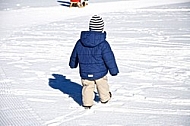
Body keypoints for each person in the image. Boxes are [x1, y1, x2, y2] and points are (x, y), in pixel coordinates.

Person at [69, 15, 119, 109]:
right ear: (102, 28)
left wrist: (73, 64)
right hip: (100, 72)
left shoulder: (80, 42)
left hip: (85, 72)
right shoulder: (103, 44)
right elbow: (109, 58)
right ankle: (105, 98)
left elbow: (74, 55)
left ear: (90, 27)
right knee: (102, 85)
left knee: (87, 86)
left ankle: (87, 103)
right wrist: (114, 71)